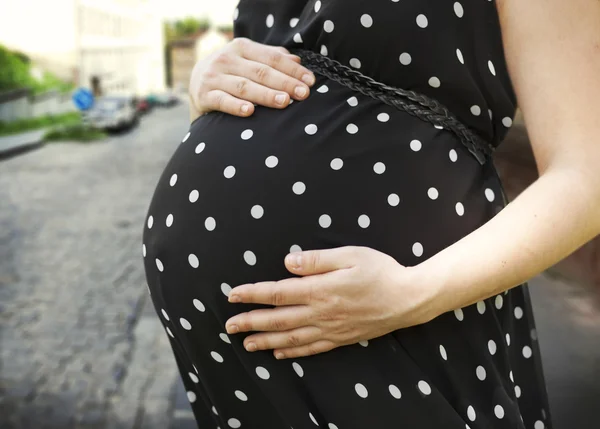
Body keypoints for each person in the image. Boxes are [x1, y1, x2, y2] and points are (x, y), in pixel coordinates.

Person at [142, 1, 600, 428]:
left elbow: (588, 176)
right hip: (229, 357)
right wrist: (205, 81)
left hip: (402, 316)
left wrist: (409, 294)